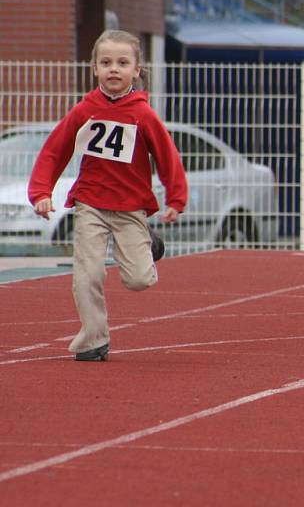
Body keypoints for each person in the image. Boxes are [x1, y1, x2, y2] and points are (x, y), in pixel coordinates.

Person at [28, 29, 188, 362]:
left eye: (122, 63)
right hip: (90, 203)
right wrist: (41, 192)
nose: (114, 69)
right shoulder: (84, 110)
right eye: (106, 63)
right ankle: (93, 340)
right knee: (88, 274)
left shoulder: (143, 115)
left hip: (131, 207)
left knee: (139, 280)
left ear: (137, 70)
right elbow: (54, 151)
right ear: (94, 69)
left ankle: (149, 243)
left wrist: (176, 199)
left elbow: (167, 156)